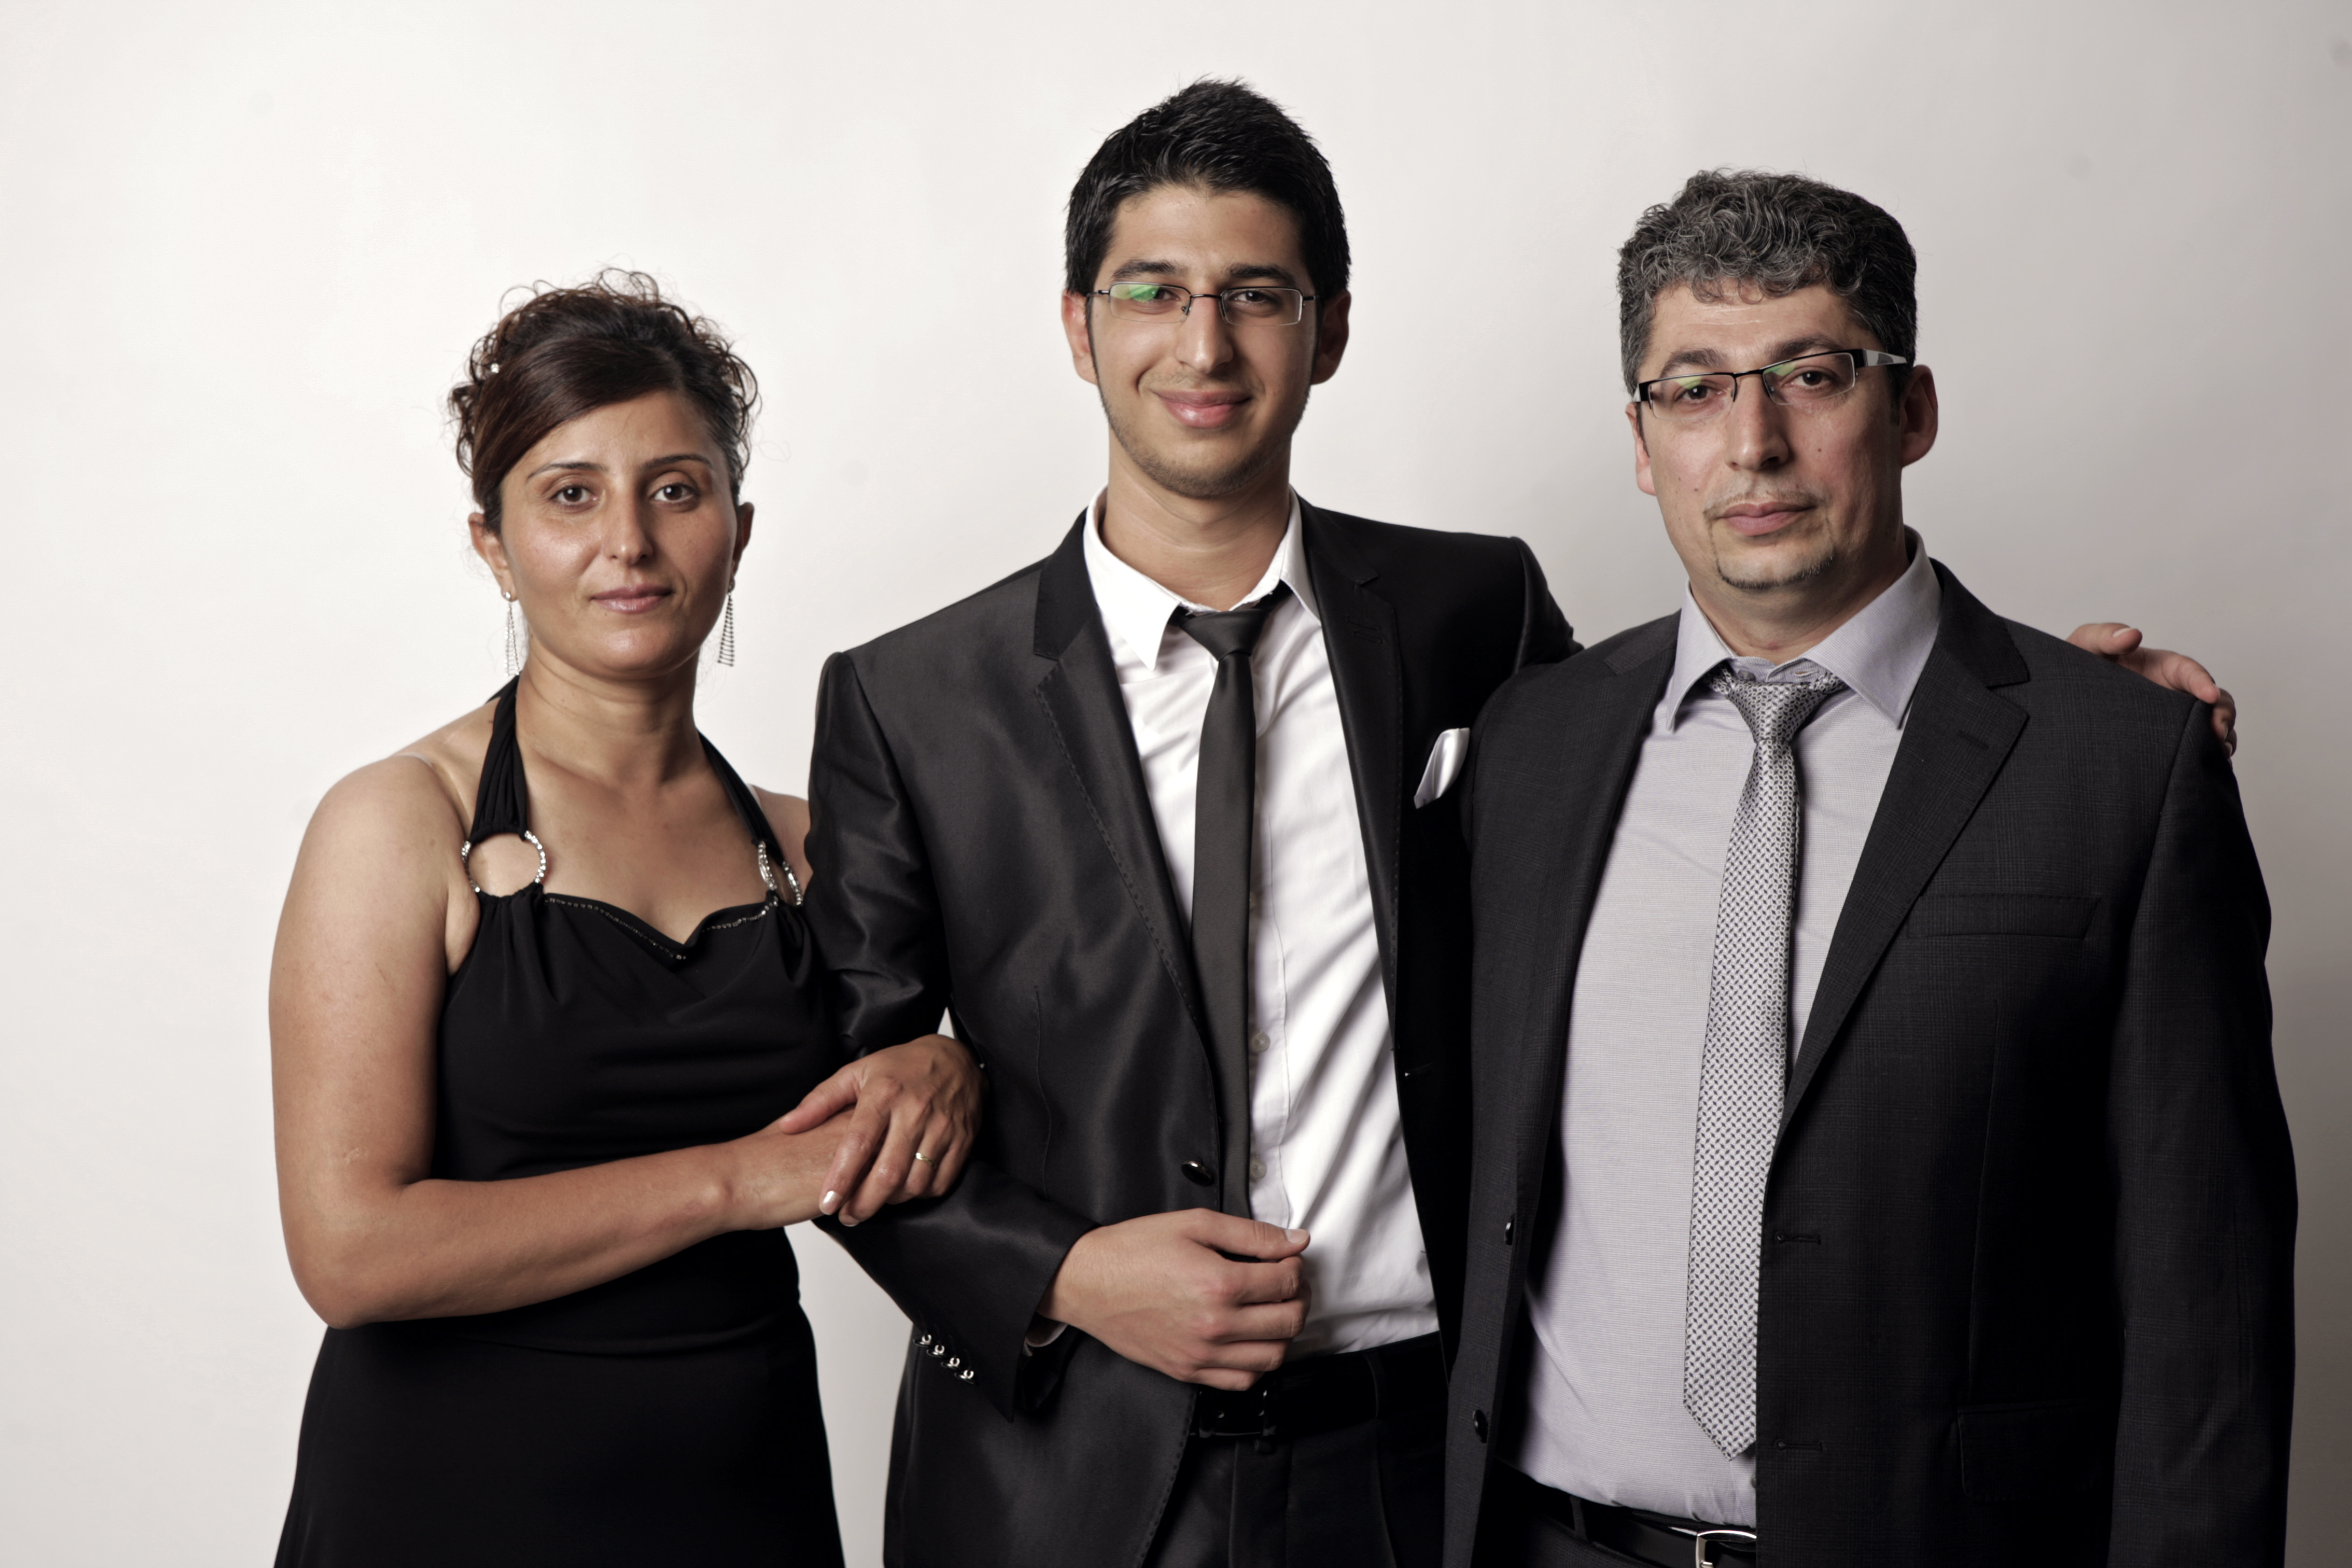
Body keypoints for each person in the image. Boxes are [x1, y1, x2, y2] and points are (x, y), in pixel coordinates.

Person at [804, 85, 2238, 1568]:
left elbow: (1757, 746)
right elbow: (832, 1115)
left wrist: (2045, 725)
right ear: (1077, 326)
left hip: (1420, 1465)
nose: (1205, 344)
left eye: (1258, 295)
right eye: (1153, 292)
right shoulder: (911, 699)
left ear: (1329, 330)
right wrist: (1061, 1275)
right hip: (1064, 1471)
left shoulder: (1472, 618)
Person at [1442, 171, 2295, 1568]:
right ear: (1643, 443)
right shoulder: (1533, 747)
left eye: (1813, 375)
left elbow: (2208, 1312)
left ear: (1912, 410)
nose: (1754, 445)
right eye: (1695, 390)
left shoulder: (2119, 767)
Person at [269, 272, 980, 1568]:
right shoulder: (400, 823)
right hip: (443, 1513)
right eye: (570, 495)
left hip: (747, 1503)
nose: (630, 543)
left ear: (738, 530)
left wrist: (948, 1065)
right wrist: (737, 1179)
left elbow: (937, 1112)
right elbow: (351, 1252)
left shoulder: (817, 847)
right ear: (493, 543)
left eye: (676, 489)